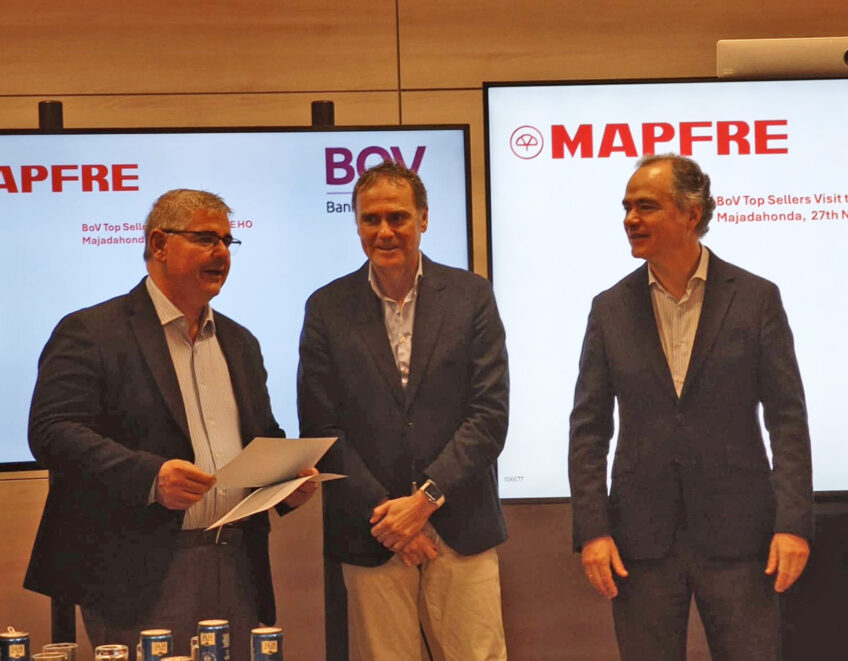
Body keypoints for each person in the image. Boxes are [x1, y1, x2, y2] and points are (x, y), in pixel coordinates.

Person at [24, 189, 318, 661]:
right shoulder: (92, 331)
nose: (221, 252)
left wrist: (286, 485)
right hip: (138, 571)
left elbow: (261, 438)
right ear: (159, 244)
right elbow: (53, 431)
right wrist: (151, 477)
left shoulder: (241, 343)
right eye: (205, 239)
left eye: (227, 241)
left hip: (238, 563)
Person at [568, 154, 813, 661]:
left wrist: (793, 523)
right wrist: (593, 530)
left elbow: (787, 422)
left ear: (691, 213)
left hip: (741, 536)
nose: (630, 219)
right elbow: (588, 430)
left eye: (646, 207)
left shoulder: (756, 298)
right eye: (627, 207)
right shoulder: (609, 308)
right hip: (640, 541)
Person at [298, 160, 509, 660]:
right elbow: (322, 427)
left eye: (398, 217)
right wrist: (391, 519)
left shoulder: (471, 296)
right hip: (372, 531)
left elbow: (489, 416)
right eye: (370, 219)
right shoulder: (327, 307)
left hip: (461, 525)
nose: (384, 231)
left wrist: (423, 503)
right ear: (357, 224)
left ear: (424, 219)